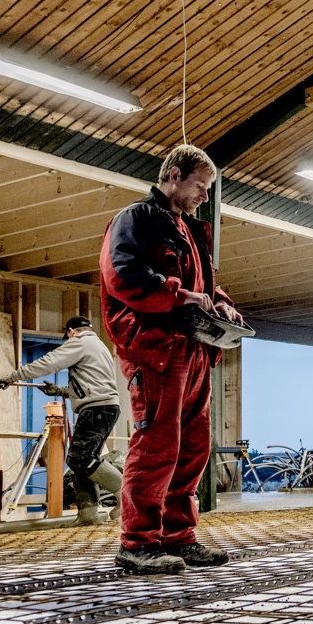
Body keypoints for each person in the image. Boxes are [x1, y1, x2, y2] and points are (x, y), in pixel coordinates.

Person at [99, 144, 243, 575]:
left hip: (194, 347)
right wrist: (180, 294)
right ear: (175, 175)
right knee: (157, 445)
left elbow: (204, 285)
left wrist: (222, 304)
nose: (204, 196)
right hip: (156, 347)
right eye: (201, 186)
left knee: (193, 447)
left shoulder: (191, 231)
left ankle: (179, 535)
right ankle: (138, 542)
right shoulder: (136, 220)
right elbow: (122, 275)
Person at [0, 317, 124, 526]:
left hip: (96, 409)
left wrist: (13, 376)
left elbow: (49, 362)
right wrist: (60, 392)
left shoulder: (79, 342)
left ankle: (128, 496)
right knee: (81, 459)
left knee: (80, 460)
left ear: (71, 331)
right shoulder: (99, 346)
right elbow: (92, 384)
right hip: (104, 407)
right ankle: (88, 512)